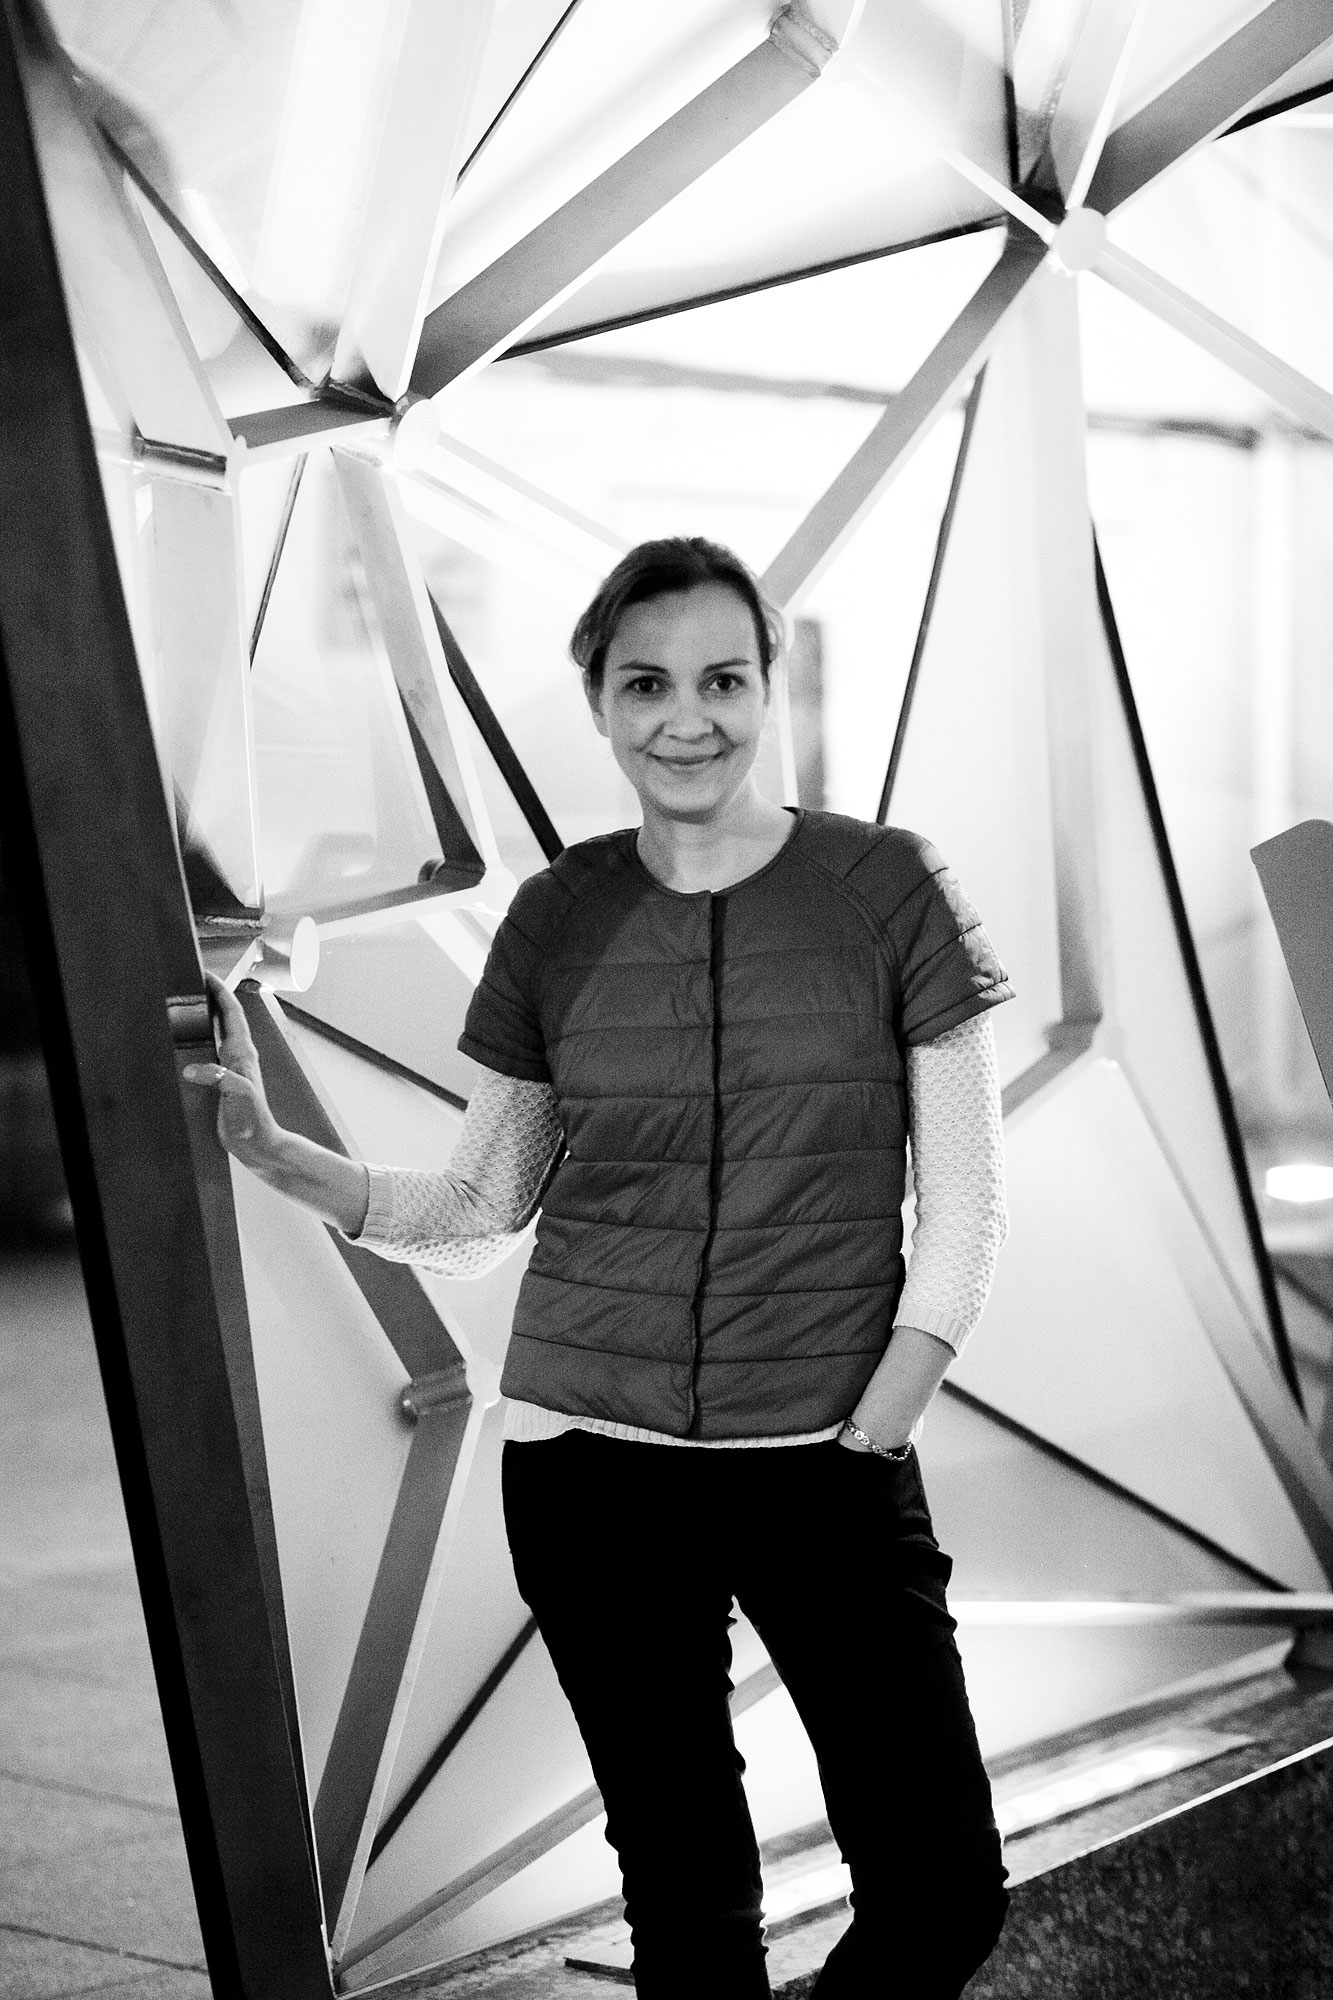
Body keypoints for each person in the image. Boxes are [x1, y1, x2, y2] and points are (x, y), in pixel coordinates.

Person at [188, 537, 1013, 1999]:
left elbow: (965, 1204)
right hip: (591, 1474)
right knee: (687, 1913)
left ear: (770, 688)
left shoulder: (889, 890)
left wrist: (880, 1418)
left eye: (721, 681)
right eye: (646, 685)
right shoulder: (559, 917)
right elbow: (483, 1204)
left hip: (824, 1458)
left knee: (941, 1891)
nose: (685, 719)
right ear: (599, 702)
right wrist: (283, 1157)